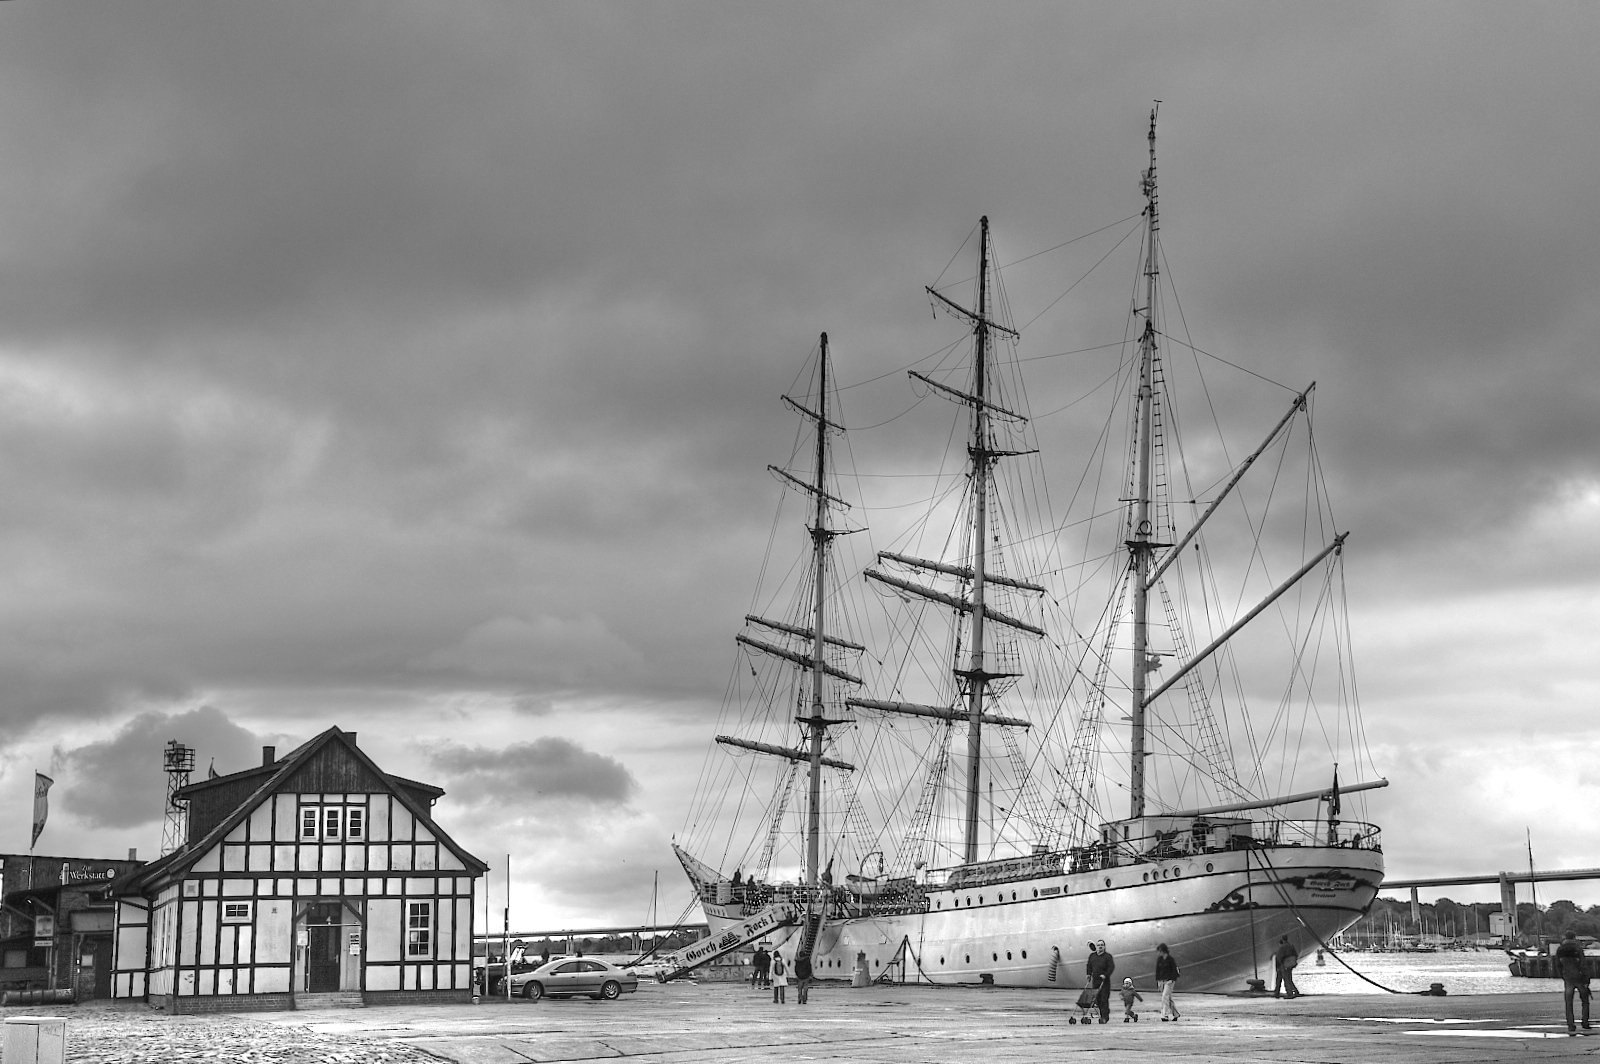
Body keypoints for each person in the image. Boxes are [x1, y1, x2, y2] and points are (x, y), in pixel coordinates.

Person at [1555, 930, 1593, 1035]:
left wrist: (1563, 975)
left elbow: (1558, 965)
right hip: (1580, 978)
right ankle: (1585, 1022)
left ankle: (1570, 1024)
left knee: (1569, 1003)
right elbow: (1583, 965)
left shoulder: (1560, 950)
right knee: (1585, 1001)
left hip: (1568, 978)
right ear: (1574, 937)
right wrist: (1587, 979)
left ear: (1565, 937)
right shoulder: (1578, 949)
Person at [1086, 939, 1116, 1023]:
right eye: (1098, 945)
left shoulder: (1108, 957)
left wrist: (1105, 975)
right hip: (1095, 980)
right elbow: (1089, 966)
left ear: (1104, 946)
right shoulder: (1092, 956)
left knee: (1104, 999)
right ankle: (1104, 1012)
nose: (1100, 946)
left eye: (1102, 945)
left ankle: (1104, 1017)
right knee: (1097, 999)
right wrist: (1088, 974)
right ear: (1096, 946)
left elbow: (1111, 967)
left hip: (1104, 981)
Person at [1155, 942, 1181, 1021]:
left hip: (1169, 981)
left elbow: (1174, 971)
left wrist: (1172, 979)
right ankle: (1176, 1014)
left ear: (1163, 951)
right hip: (1162, 981)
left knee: (1164, 997)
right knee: (1168, 998)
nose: (1158, 953)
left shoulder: (1170, 960)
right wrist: (1158, 981)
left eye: (1159, 951)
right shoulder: (1159, 960)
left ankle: (1165, 1015)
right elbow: (1157, 971)